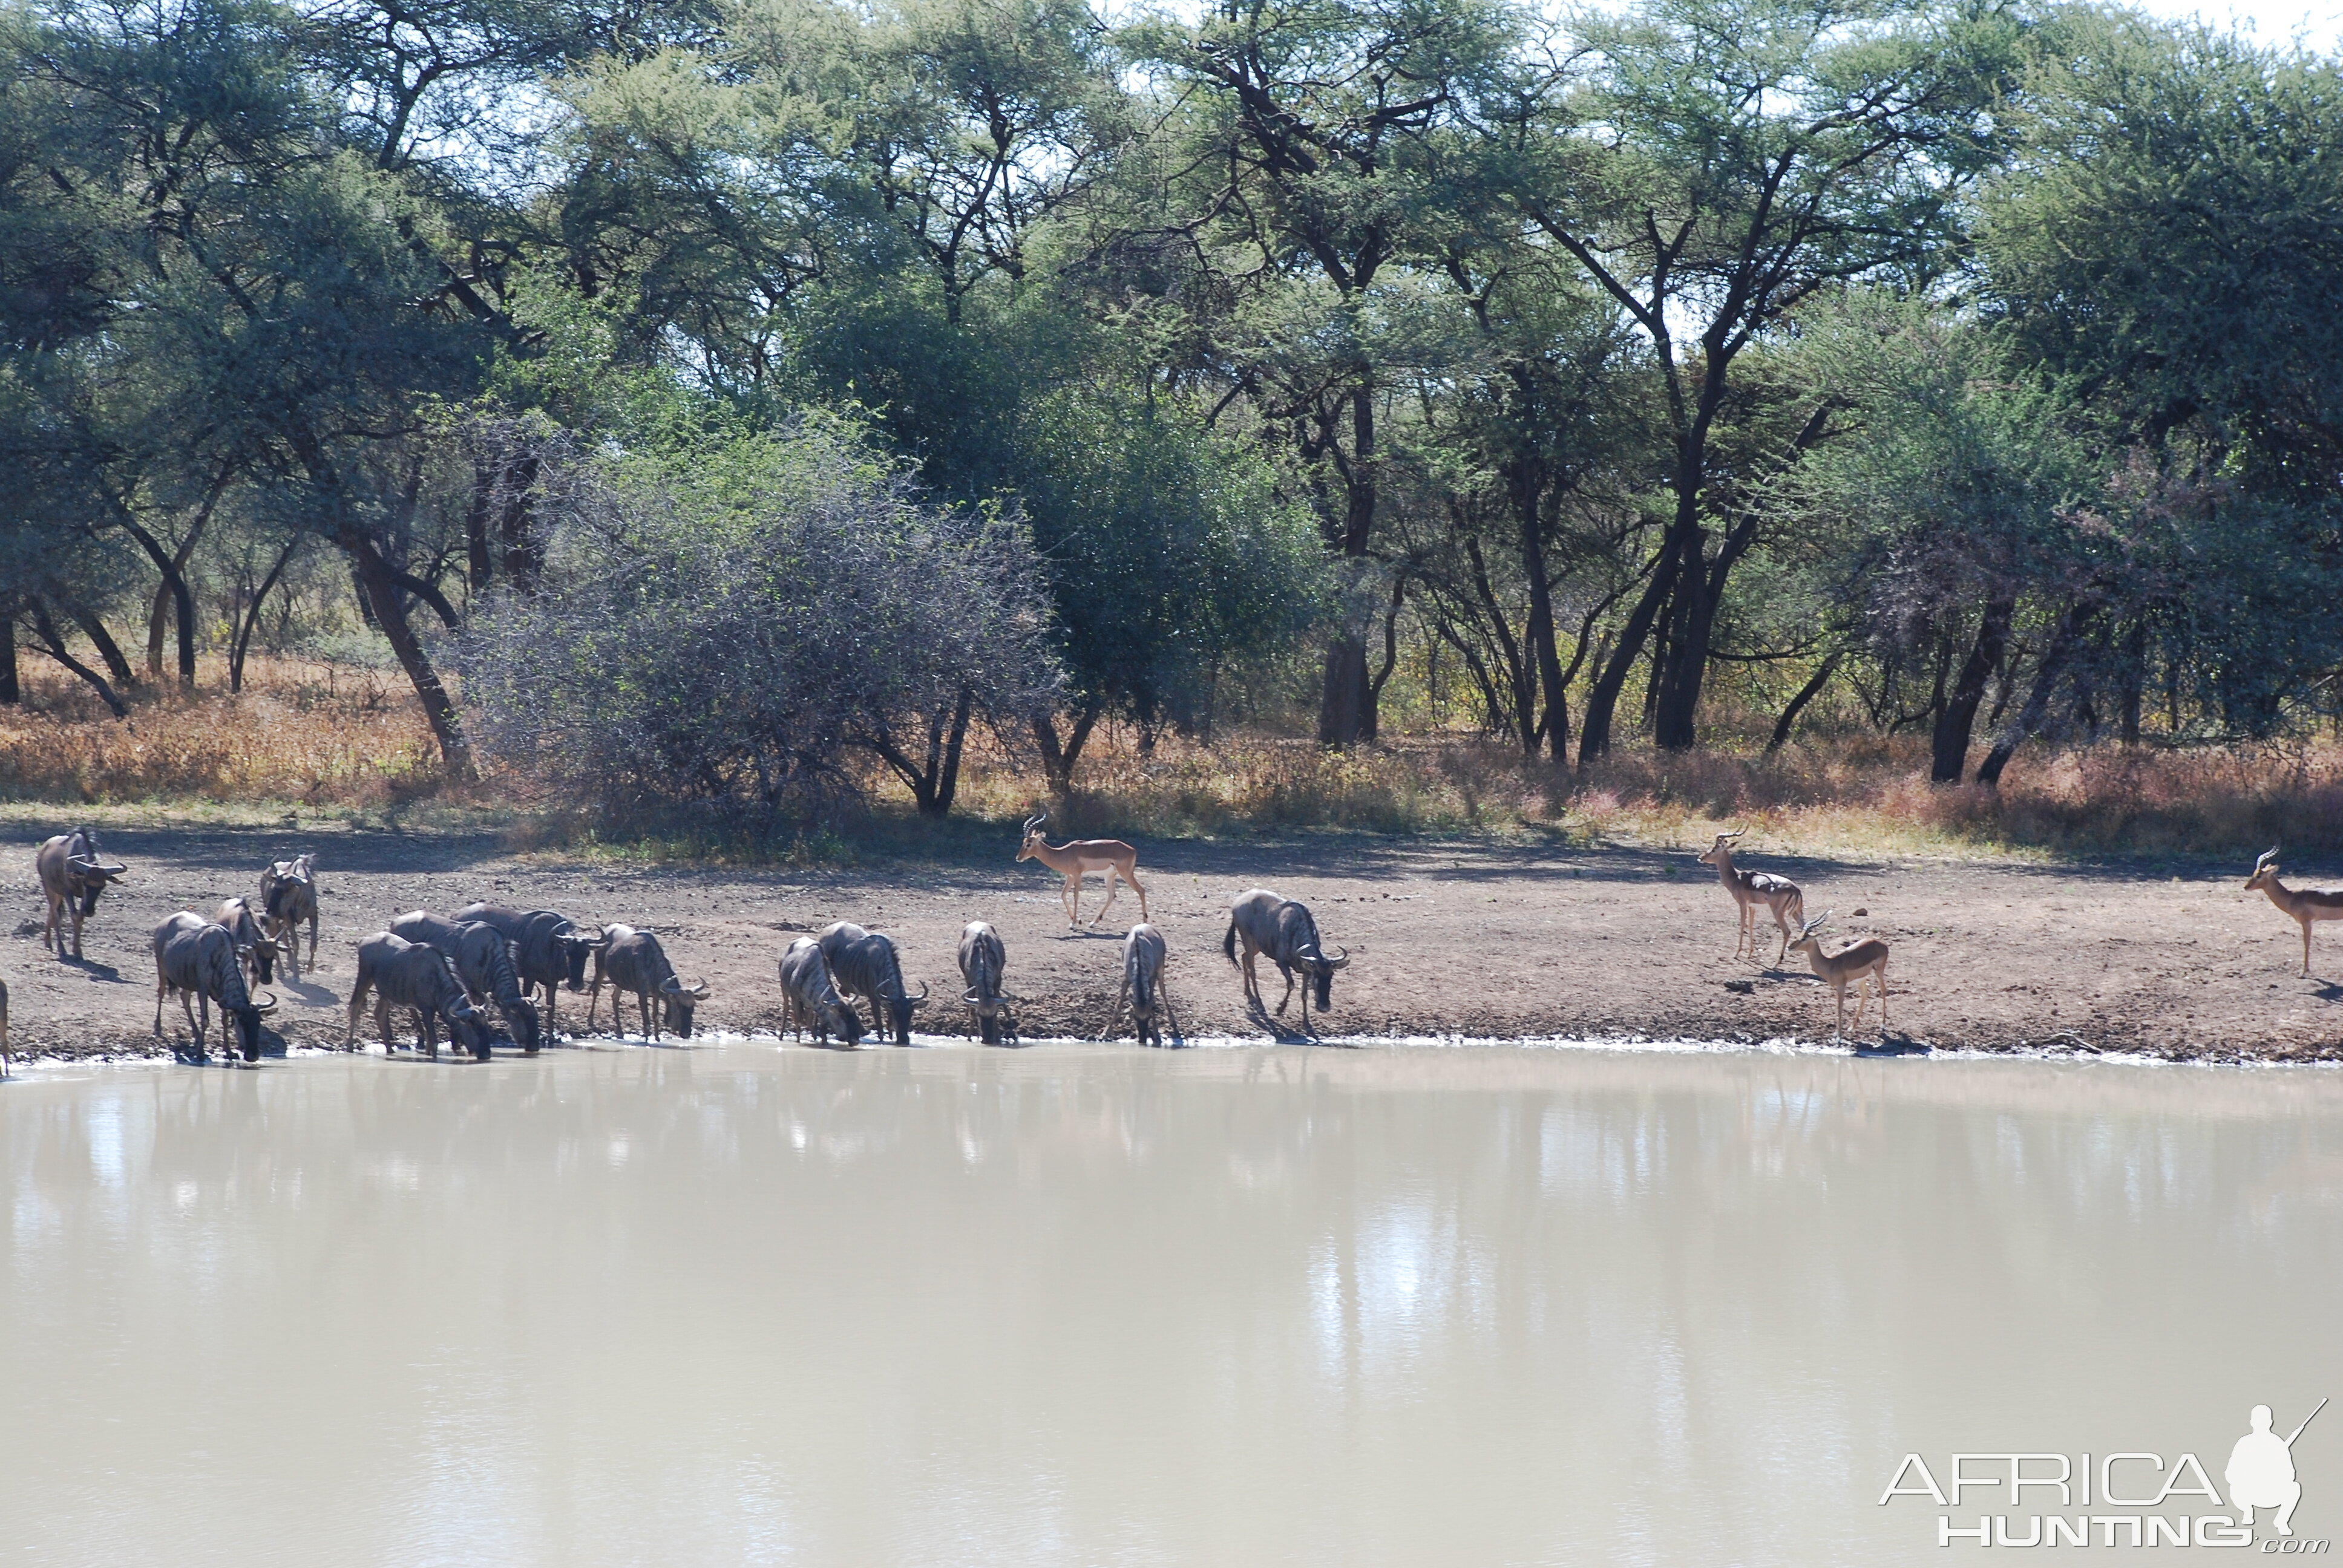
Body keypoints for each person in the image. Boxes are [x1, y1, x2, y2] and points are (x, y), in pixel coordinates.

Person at [2227, 1404, 2303, 1537]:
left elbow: (2290, 1475)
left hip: (2272, 1494)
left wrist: (2271, 1475)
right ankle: (2247, 1511)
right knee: (2234, 1487)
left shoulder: (2278, 1443)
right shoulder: (2244, 1443)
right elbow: (2231, 1474)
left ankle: (2282, 1521)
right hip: (2248, 1493)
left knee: (2294, 1488)